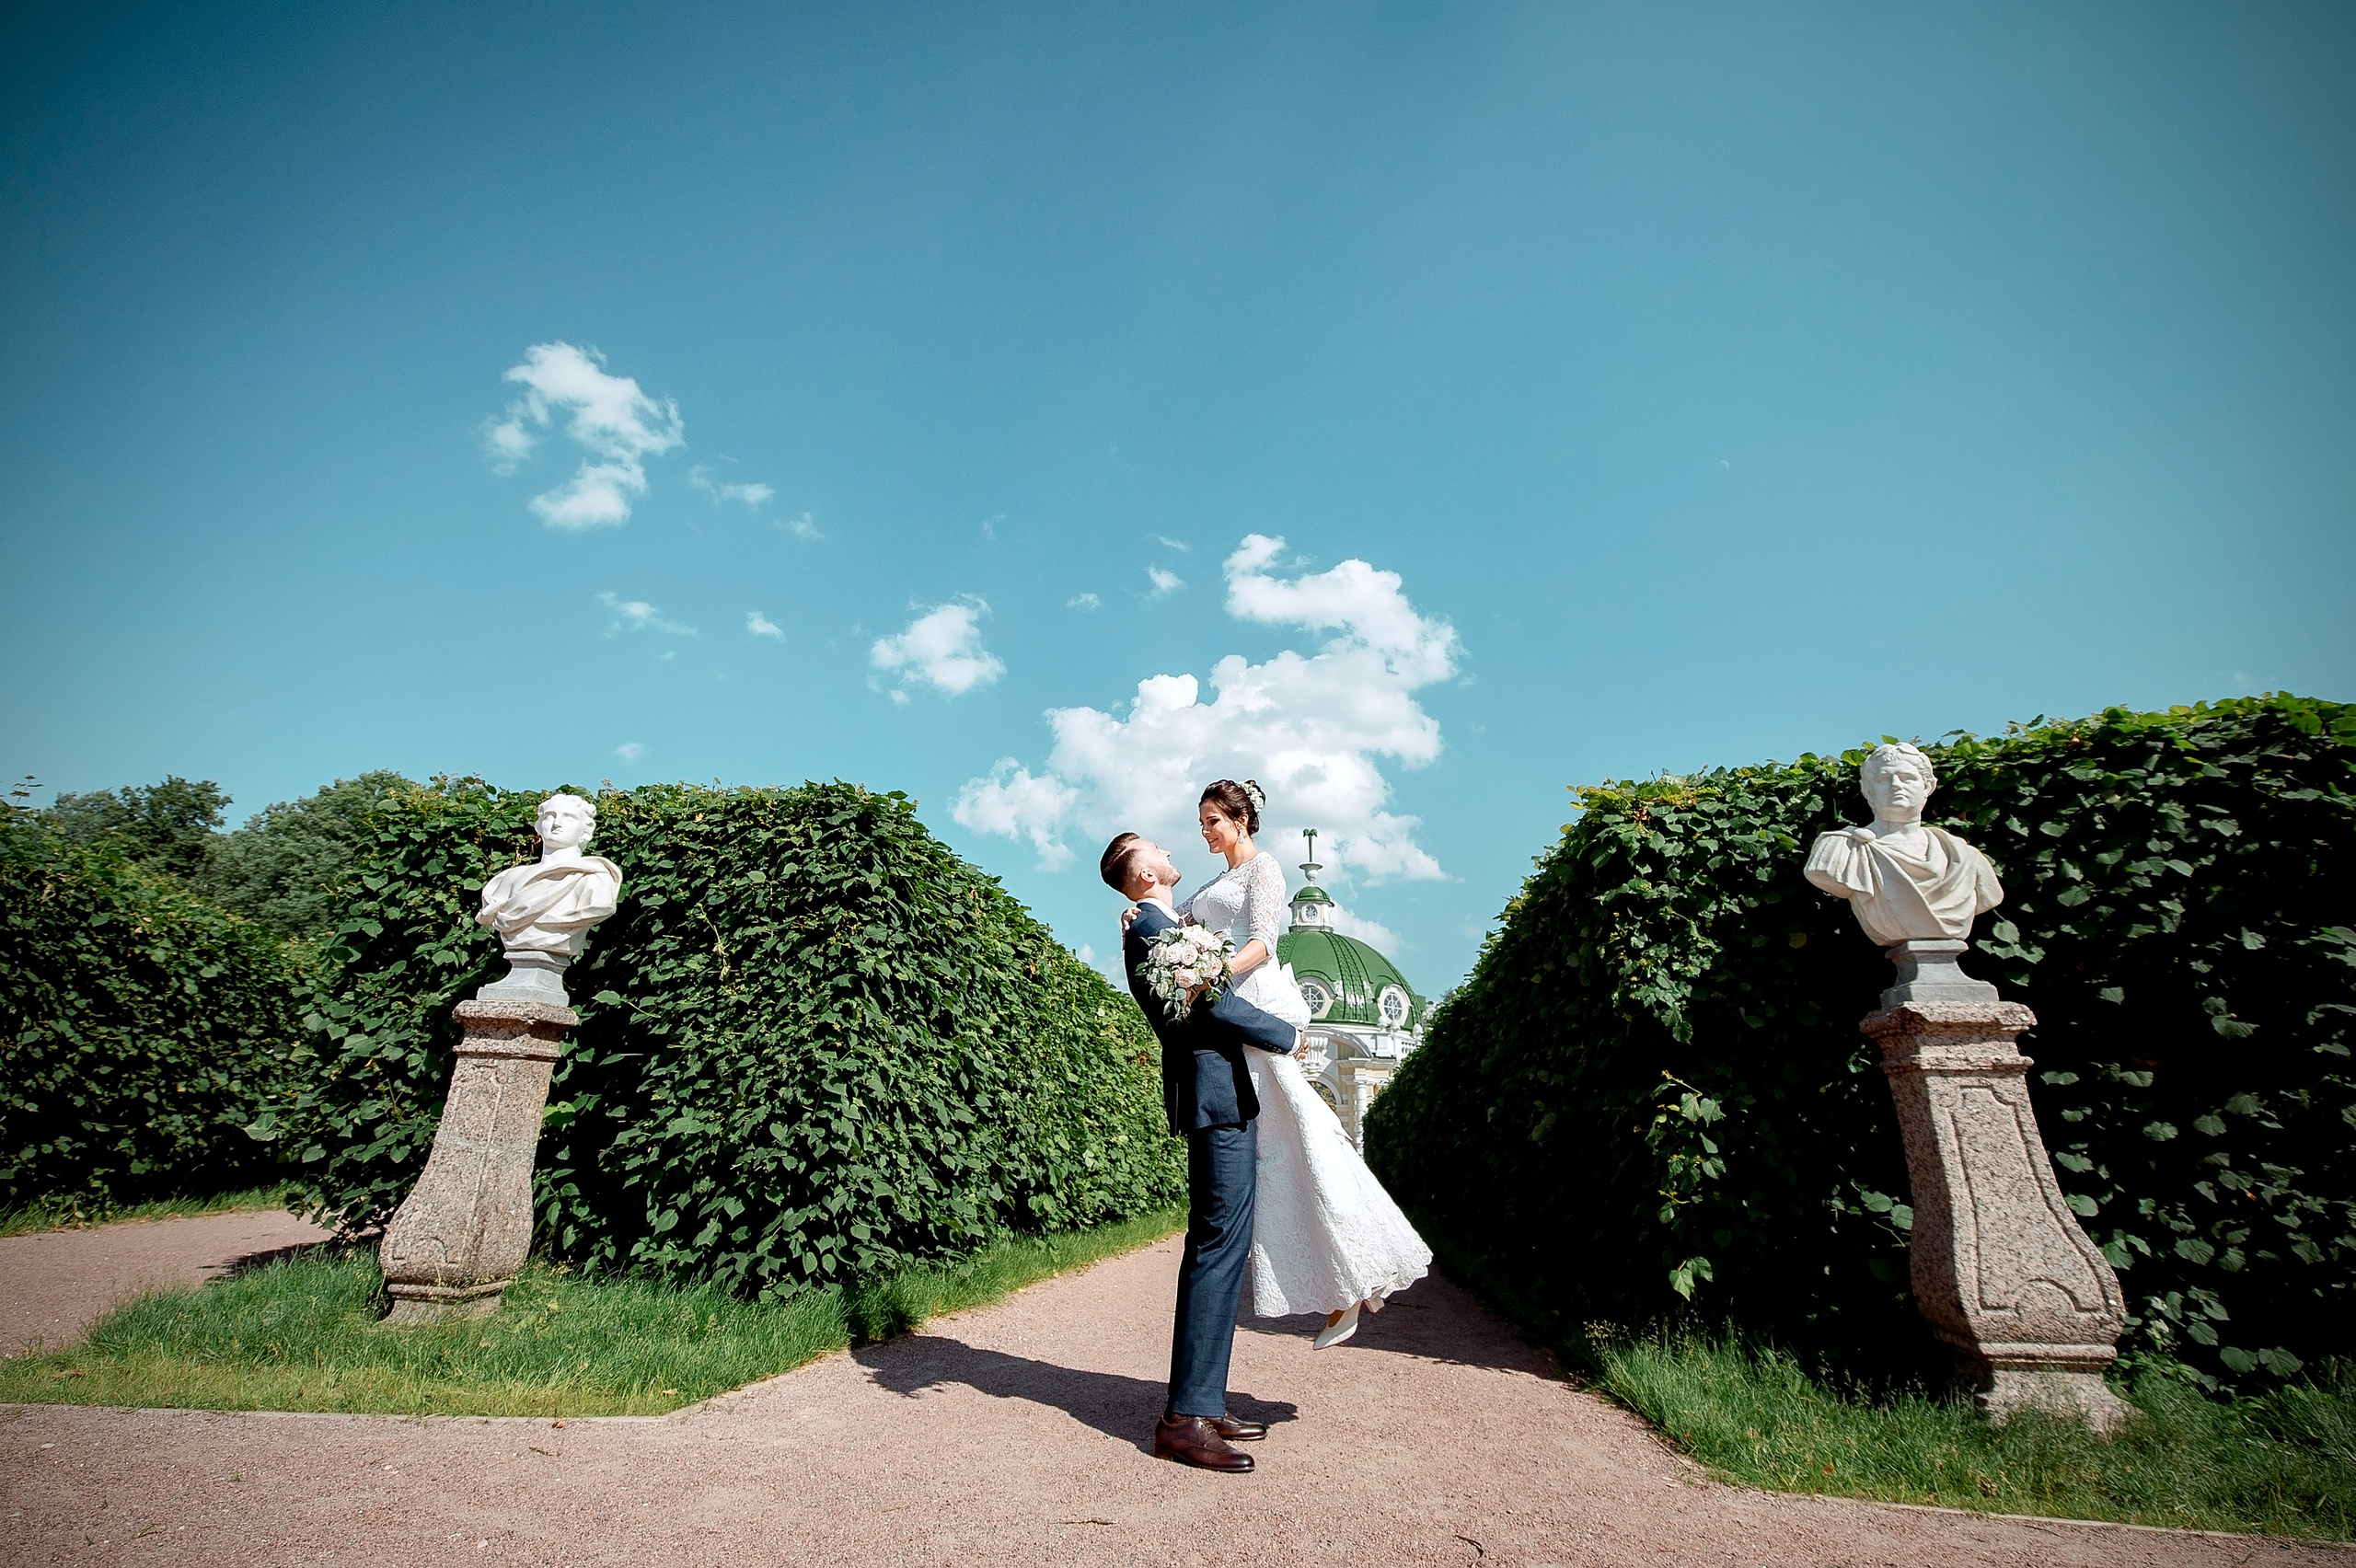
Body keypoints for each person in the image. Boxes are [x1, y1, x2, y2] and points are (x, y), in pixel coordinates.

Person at [1172, 779, 1430, 1352]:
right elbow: (1179, 920)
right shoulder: (1216, 882)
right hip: (1232, 1008)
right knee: (1285, 1145)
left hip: (1250, 1002)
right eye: (1201, 824)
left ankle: (1357, 1273)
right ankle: (1346, 1283)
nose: (1205, 832)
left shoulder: (1265, 870)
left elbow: (1264, 942)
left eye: (1212, 821)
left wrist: (1209, 977)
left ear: (1241, 820)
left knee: (1298, 1138)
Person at [1103, 829, 1297, 1474]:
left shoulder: (1156, 921)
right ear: (1141, 875)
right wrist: (1284, 1032)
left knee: (1223, 1246)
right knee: (1216, 1246)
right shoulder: (1148, 930)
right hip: (1211, 1093)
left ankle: (1204, 1402)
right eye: (1152, 847)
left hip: (1220, 1093)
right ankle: (1183, 1420)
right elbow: (1204, 1003)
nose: (1167, 847)